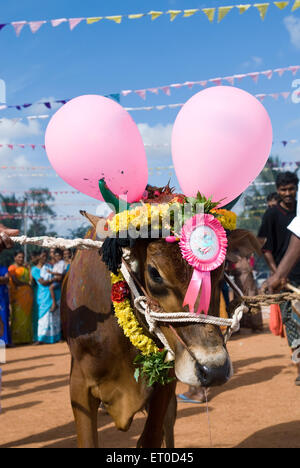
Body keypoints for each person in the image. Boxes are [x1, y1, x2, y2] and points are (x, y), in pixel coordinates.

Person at [258, 171, 300, 384]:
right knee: (293, 324)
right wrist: (277, 274)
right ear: (277, 190)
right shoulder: (271, 215)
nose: (288, 193)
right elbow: (265, 248)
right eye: (283, 190)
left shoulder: (299, 212)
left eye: (291, 188)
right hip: (286, 282)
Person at [31, 250, 61, 344]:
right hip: (42, 295)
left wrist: (53, 279)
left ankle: (55, 337)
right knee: (43, 316)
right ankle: (41, 338)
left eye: (46, 256)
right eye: (43, 256)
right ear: (38, 256)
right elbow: (42, 282)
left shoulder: (49, 266)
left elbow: (58, 277)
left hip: (52, 294)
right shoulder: (34, 269)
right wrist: (53, 279)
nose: (44, 258)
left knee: (53, 316)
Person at [8, 251, 33, 345]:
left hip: (27, 297)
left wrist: (29, 268)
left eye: (22, 257)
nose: (21, 259)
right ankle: (17, 340)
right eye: (19, 257)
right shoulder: (12, 268)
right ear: (15, 258)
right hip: (17, 296)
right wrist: (26, 284)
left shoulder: (25, 268)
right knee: (17, 317)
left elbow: (31, 280)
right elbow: (15, 281)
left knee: (27, 317)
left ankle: (26, 339)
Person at [0, 264, 11, 346]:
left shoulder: (3, 268)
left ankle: (5, 341)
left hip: (2, 296)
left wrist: (3, 279)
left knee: (4, 317)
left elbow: (7, 279)